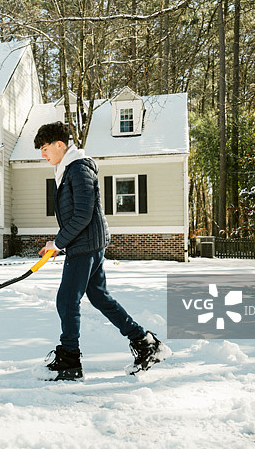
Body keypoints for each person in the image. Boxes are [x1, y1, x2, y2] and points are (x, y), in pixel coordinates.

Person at [34, 121, 170, 380]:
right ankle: (146, 344)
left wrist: (58, 243)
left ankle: (69, 360)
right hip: (87, 243)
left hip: (84, 245)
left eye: (44, 148)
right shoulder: (68, 169)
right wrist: (60, 243)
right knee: (99, 297)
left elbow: (84, 213)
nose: (43, 154)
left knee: (66, 300)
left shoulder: (78, 169)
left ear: (59, 144)